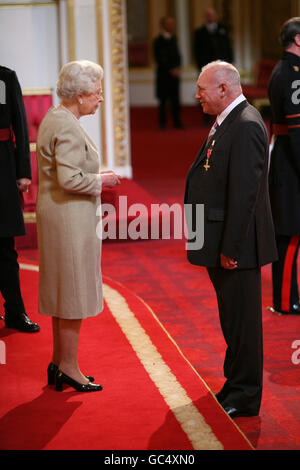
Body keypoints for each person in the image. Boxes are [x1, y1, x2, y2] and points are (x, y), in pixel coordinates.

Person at [184, 61, 277, 418]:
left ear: (224, 89)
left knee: (243, 324)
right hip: (221, 240)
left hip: (237, 247)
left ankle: (246, 394)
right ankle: (235, 382)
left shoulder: (247, 125)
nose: (197, 96)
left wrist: (230, 250)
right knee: (232, 320)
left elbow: (245, 196)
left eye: (202, 89)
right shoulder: (228, 121)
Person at [36, 60, 121, 392]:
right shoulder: (67, 125)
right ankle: (69, 367)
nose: (100, 99)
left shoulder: (57, 117)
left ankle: (59, 363)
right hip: (69, 218)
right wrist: (104, 180)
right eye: (97, 93)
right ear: (81, 95)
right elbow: (70, 179)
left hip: (61, 215)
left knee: (63, 291)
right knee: (71, 293)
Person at [0, 65, 40, 333]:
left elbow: (20, 125)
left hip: (2, 168)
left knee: (5, 248)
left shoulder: (5, 76)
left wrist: (24, 172)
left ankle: (15, 312)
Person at [268, 17, 300, 315]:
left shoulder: (285, 69)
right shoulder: (293, 74)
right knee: (290, 235)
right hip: (292, 164)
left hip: (286, 159)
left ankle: (287, 296)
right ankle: (285, 300)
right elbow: (297, 130)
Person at [194, 7, 233, 126]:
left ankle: (224, 117)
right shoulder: (199, 32)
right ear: (206, 17)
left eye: (212, 15)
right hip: (205, 69)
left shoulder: (223, 30)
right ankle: (206, 118)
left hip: (222, 69)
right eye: (208, 15)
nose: (210, 17)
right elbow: (196, 51)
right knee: (206, 93)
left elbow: (229, 48)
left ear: (215, 16)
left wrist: (229, 65)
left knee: (223, 92)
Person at [153, 16, 185, 130]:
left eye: (173, 23)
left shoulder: (174, 38)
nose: (172, 26)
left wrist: (177, 68)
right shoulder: (158, 40)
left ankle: (177, 121)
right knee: (163, 100)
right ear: (163, 25)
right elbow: (159, 58)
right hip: (163, 75)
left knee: (176, 99)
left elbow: (178, 55)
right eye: (169, 23)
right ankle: (162, 123)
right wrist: (171, 69)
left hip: (175, 75)